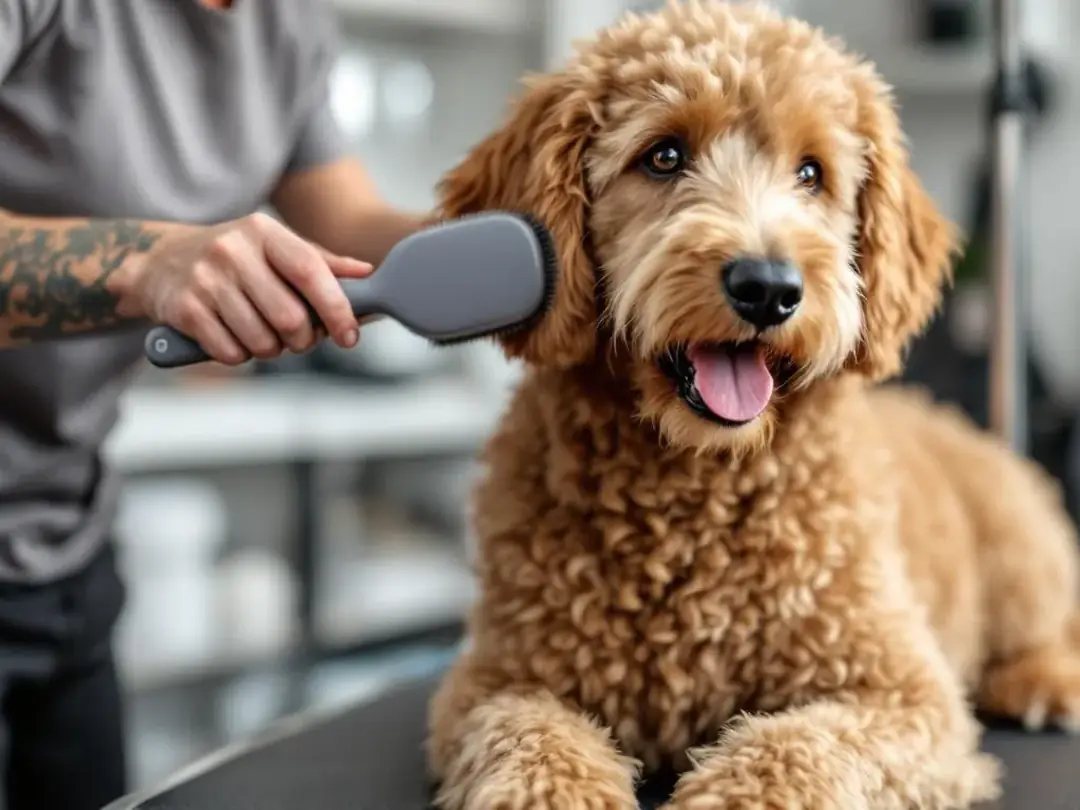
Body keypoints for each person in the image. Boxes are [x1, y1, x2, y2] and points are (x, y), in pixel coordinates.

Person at [0, 1, 424, 807]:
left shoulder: (286, 25)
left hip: (65, 543)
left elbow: (351, 224)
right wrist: (147, 262)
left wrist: (544, 235)